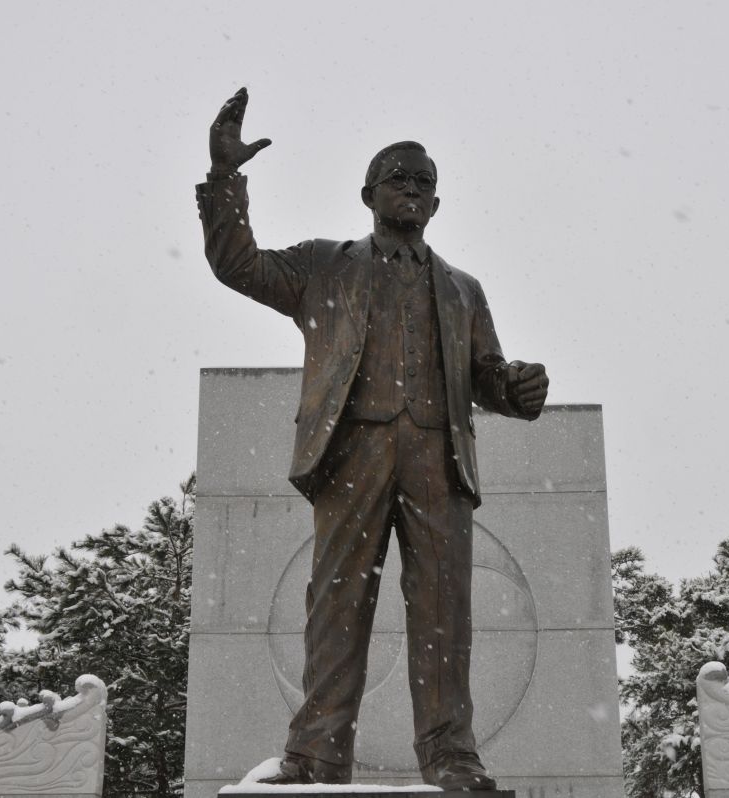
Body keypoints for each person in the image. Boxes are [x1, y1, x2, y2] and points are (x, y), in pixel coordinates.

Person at [196, 87, 548, 790]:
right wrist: (226, 176)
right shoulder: (325, 264)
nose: (412, 189)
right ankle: (316, 755)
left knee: (444, 614)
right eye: (398, 177)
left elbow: (483, 373)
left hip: (439, 460)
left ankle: (451, 756)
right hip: (351, 453)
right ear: (368, 194)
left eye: (424, 182)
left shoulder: (463, 288)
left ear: (437, 203)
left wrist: (515, 388)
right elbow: (240, 265)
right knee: (337, 604)